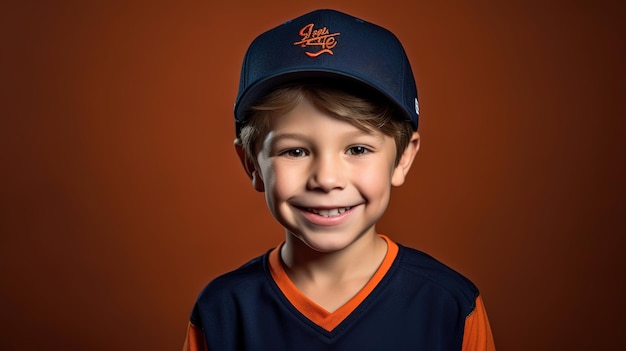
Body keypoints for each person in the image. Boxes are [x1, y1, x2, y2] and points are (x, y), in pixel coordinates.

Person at [183, 8, 495, 350]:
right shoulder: (222, 311)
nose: (327, 179)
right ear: (251, 164)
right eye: (296, 151)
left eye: (358, 149)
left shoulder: (449, 306)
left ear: (403, 158)